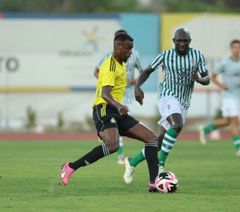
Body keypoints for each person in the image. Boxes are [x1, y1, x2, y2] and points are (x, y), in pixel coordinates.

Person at [60, 33, 159, 192]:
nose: (130, 52)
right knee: (112, 146)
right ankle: (70, 167)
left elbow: (119, 87)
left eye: (131, 49)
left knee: (152, 138)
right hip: (104, 108)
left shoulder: (121, 64)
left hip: (117, 111)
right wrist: (119, 105)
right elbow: (105, 94)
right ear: (118, 47)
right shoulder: (110, 65)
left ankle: (154, 184)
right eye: (128, 49)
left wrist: (136, 90)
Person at [123, 28, 210, 184]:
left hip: (184, 101)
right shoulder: (166, 55)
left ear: (189, 41)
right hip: (167, 96)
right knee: (177, 124)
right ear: (174, 41)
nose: (182, 44)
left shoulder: (197, 56)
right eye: (179, 41)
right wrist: (137, 87)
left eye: (185, 41)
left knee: (158, 141)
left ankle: (132, 161)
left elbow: (207, 79)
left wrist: (199, 79)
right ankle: (160, 164)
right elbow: (148, 71)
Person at [94, 29, 143, 164]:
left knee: (122, 124)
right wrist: (105, 81)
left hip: (128, 94)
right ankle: (120, 154)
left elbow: (142, 72)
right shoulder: (108, 57)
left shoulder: (134, 55)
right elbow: (96, 71)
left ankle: (106, 134)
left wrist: (136, 83)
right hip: (111, 96)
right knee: (115, 123)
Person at [199, 39, 240, 157]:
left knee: (228, 121)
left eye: (238, 47)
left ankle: (206, 130)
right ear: (231, 49)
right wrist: (222, 85)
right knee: (235, 121)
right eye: (234, 47)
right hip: (227, 96)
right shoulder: (224, 63)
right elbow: (213, 76)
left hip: (237, 95)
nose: (236, 49)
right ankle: (239, 148)